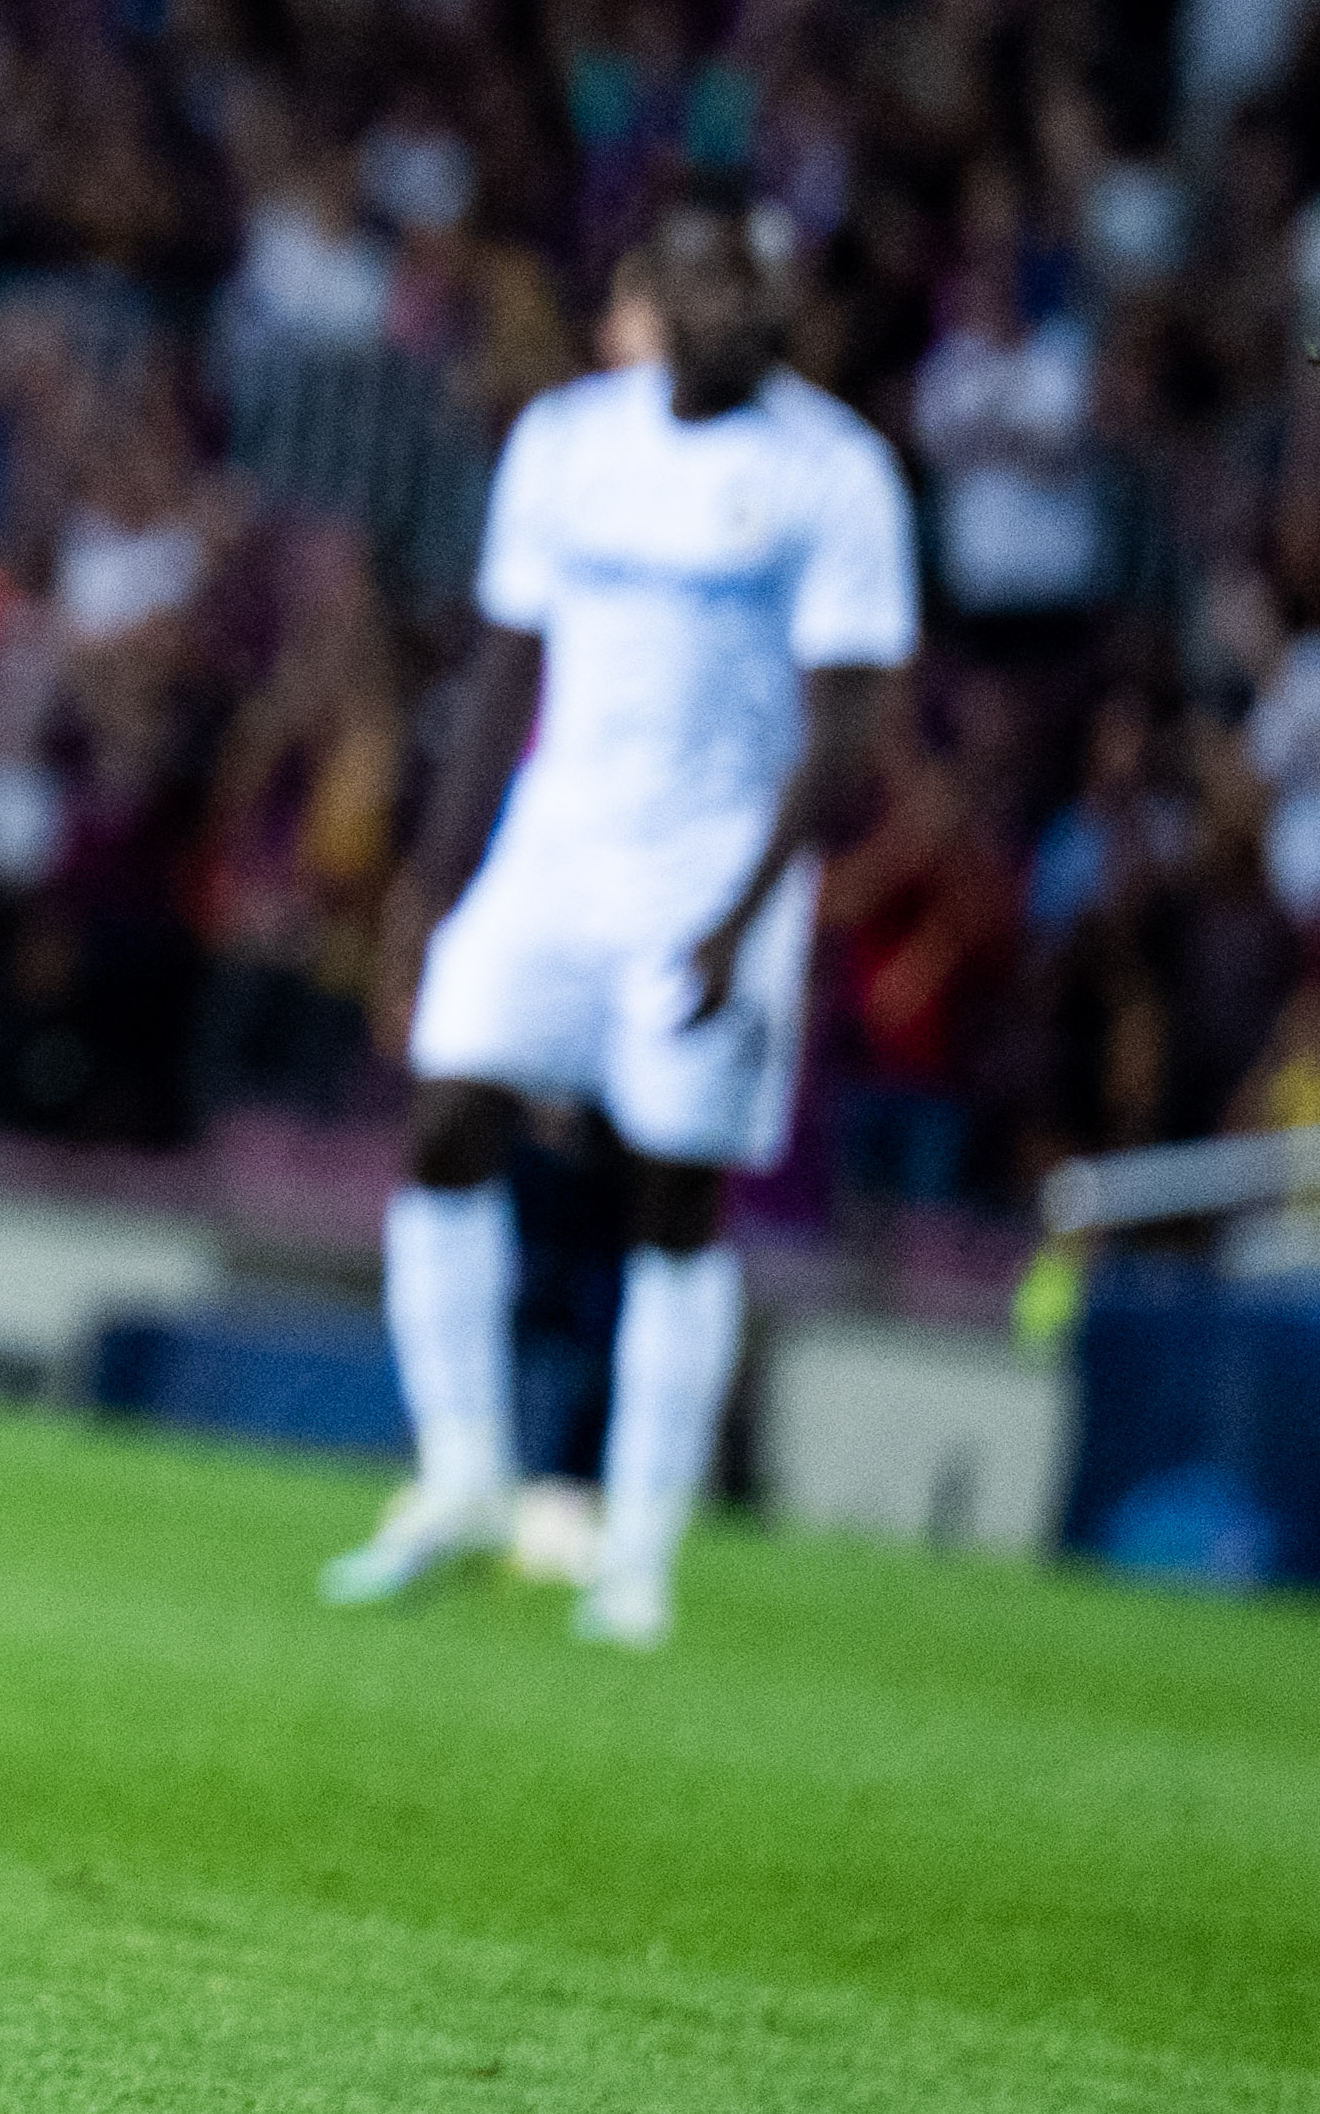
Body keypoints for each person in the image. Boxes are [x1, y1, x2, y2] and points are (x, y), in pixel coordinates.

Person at [320, 179, 915, 1650]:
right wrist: (433, 880)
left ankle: (638, 1545)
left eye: (760, 288)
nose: (734, 311)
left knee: (673, 1197)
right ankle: (461, 1470)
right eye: (706, 282)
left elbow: (846, 733)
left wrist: (742, 914)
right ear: (655, 286)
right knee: (448, 1111)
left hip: (713, 866)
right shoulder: (570, 442)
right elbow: (507, 671)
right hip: (557, 847)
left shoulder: (835, 476)